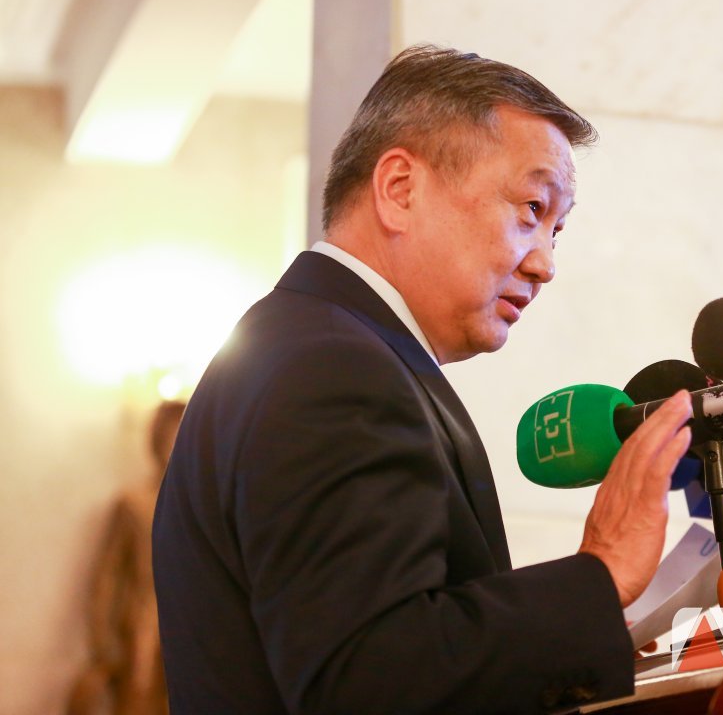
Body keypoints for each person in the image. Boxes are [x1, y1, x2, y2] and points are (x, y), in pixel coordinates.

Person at [152, 45, 693, 714]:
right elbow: (370, 679)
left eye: (558, 229)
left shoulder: (307, 342)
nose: (545, 264)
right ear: (400, 189)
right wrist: (600, 574)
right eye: (531, 208)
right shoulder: (334, 368)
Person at [69, 399, 184, 715]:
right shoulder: (133, 503)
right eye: (171, 436)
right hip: (143, 631)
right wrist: (105, 644)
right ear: (157, 440)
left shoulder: (202, 508)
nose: (175, 446)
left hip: (191, 631)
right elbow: (108, 577)